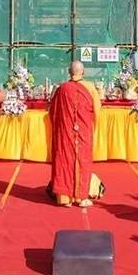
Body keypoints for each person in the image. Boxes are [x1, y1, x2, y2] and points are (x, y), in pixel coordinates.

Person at [48, 61, 103, 207]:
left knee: (64, 161)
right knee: (83, 162)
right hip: (84, 131)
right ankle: (81, 198)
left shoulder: (61, 89)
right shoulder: (90, 87)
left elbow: (52, 112)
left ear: (69, 71)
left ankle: (64, 199)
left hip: (65, 132)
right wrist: (92, 128)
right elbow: (97, 112)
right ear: (83, 72)